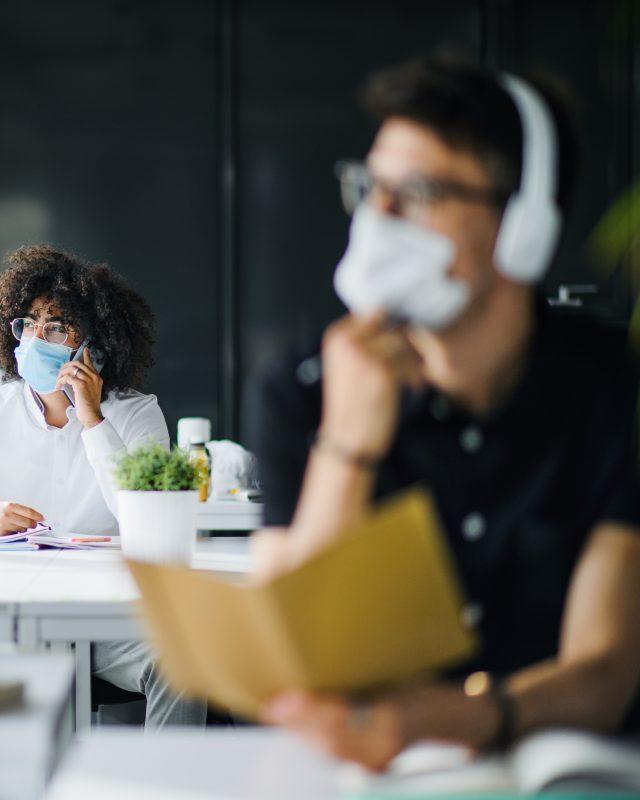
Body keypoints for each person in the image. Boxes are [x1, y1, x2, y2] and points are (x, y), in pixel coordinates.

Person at [248, 53, 640, 769]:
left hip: (571, 772)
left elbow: (606, 670)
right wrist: (348, 441)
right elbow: (292, 655)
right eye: (371, 187)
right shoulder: (301, 387)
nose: (379, 217)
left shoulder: (614, 387)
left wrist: (459, 717)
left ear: (520, 227)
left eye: (419, 192)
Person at [0, 244, 206, 728]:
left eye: (56, 326)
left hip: (107, 620)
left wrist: (93, 419)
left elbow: (147, 517)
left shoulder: (137, 413)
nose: (37, 338)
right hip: (8, 618)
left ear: (92, 342)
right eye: (28, 324)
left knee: (184, 658)